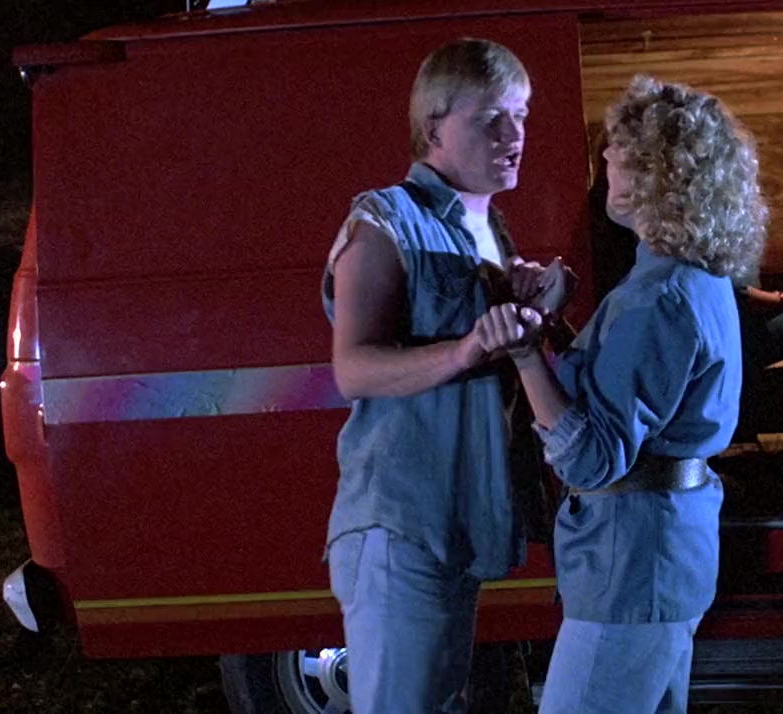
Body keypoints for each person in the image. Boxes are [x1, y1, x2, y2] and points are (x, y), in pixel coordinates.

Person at [473, 75, 767, 714]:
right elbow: (626, 392)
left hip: (630, 568)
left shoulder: (656, 298)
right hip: (660, 557)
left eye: (619, 152)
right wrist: (554, 325)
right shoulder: (691, 277)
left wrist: (523, 352)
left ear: (657, 178)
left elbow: (590, 457)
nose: (605, 158)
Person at [320, 38, 574, 713]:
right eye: (490, 119)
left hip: (458, 521)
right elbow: (354, 367)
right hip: (402, 523)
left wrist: (532, 302)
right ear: (433, 126)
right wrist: (465, 350)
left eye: (521, 115)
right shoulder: (384, 221)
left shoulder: (490, 227)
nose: (514, 136)